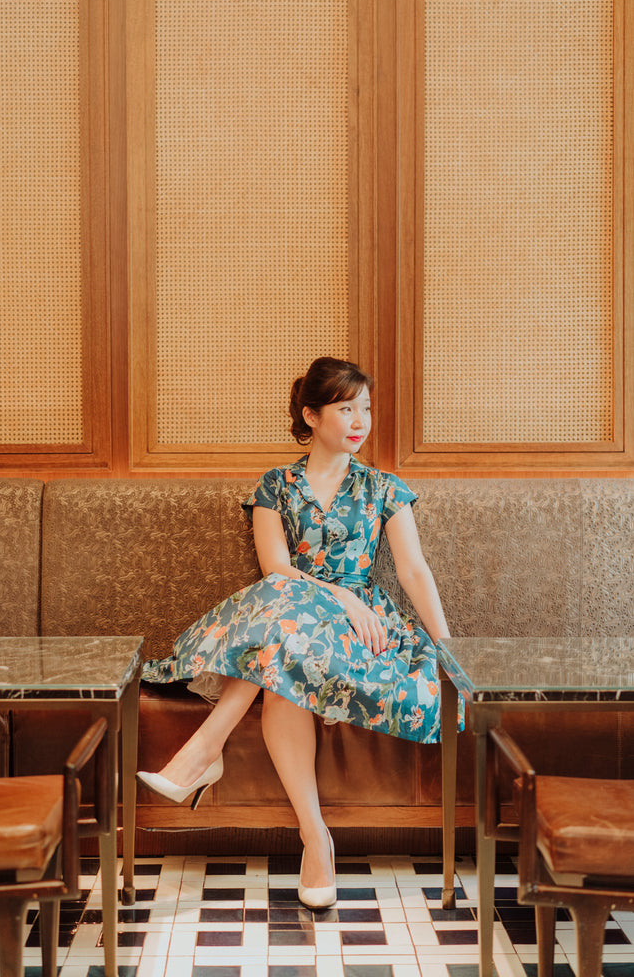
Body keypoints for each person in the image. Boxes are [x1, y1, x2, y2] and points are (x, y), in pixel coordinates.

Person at [137, 356, 461, 909]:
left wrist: (453, 651)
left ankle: (203, 753)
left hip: (363, 630)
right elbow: (276, 568)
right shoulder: (274, 486)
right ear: (311, 415)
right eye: (345, 408)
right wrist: (335, 593)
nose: (360, 421)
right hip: (294, 612)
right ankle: (317, 840)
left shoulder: (384, 487)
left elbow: (413, 571)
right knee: (284, 636)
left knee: (279, 640)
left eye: (365, 409)